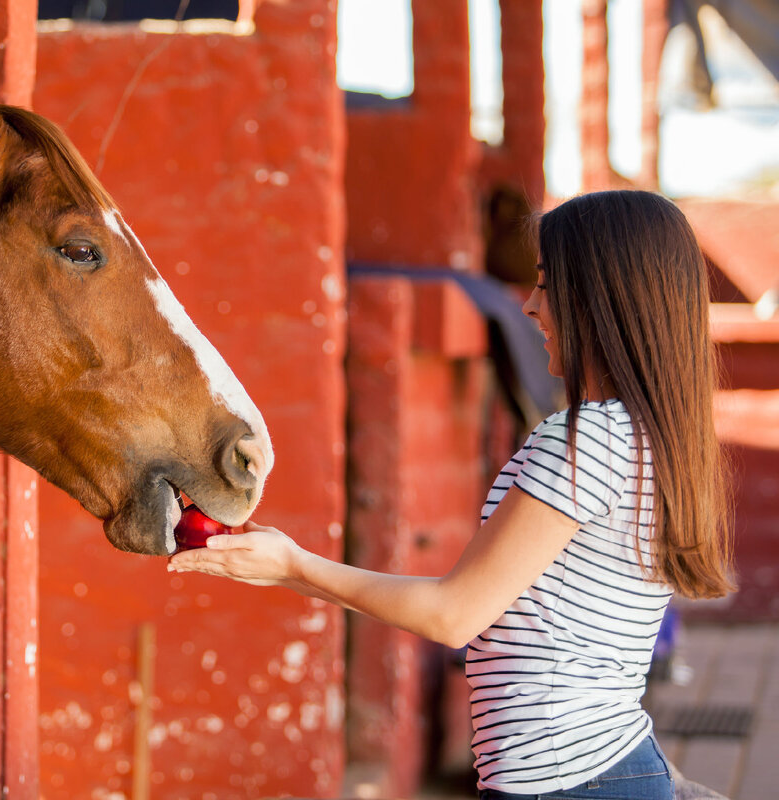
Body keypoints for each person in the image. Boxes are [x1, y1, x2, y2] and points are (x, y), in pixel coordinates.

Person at [168, 190, 735, 799]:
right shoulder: (646, 436)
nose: (530, 306)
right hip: (596, 771)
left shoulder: (587, 438)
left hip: (569, 783)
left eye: (548, 285)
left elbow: (455, 614)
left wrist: (296, 564)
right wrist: (286, 571)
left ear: (602, 298)